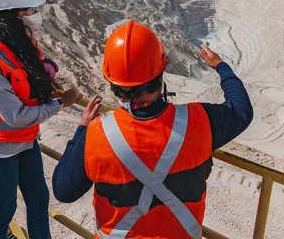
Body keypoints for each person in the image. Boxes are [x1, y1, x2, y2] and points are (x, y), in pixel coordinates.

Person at [52, 19, 253, 238]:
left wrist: (82, 129)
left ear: (114, 84)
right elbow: (242, 111)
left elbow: (64, 191)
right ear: (160, 74)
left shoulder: (95, 135)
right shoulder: (200, 121)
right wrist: (221, 66)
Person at [0, 0, 82, 239]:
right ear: (11, 14)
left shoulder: (20, 45)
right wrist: (61, 103)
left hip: (26, 143)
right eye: (30, 9)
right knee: (3, 214)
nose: (35, 14)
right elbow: (16, 116)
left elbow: (31, 81)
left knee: (38, 203)